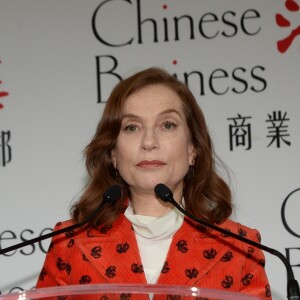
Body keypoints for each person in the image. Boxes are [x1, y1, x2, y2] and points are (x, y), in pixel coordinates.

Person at [36, 67, 272, 298]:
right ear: (114, 154)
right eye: (132, 127)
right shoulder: (70, 244)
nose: (149, 142)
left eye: (167, 125)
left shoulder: (239, 246)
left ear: (193, 148)